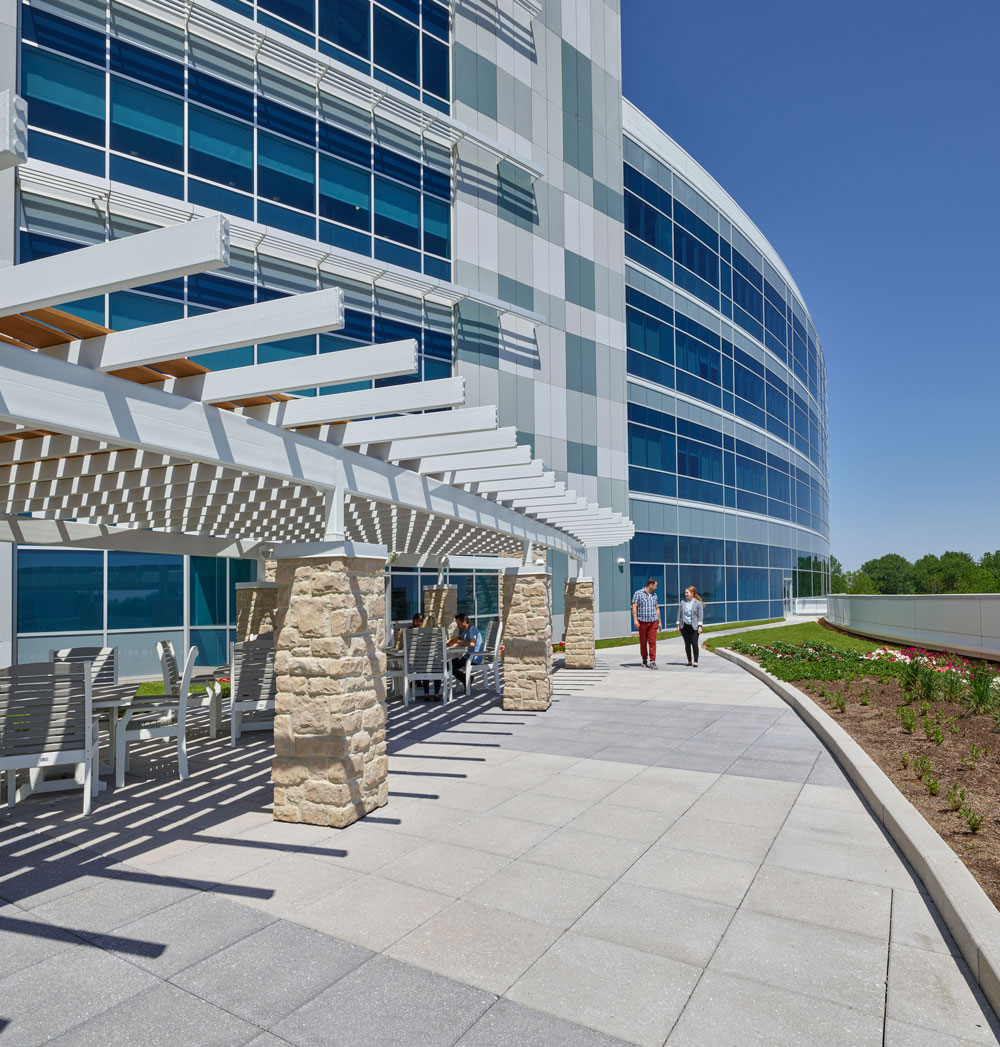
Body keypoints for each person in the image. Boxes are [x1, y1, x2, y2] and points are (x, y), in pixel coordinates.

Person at [448, 612, 483, 693]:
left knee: (450, 666)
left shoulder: (472, 630)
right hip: (467, 657)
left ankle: (467, 679)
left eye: (459, 623)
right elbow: (460, 637)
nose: (457, 625)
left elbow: (472, 643)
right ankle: (467, 678)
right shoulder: (466, 631)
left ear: (464, 622)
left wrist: (457, 643)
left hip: (473, 658)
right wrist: (450, 640)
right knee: (449, 664)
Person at [631, 578, 661, 669]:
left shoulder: (654, 595)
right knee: (643, 642)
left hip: (653, 621)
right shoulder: (638, 594)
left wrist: (659, 622)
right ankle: (644, 659)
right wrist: (635, 620)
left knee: (652, 642)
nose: (656, 587)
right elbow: (634, 607)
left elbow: (657, 608)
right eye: (655, 586)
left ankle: (652, 661)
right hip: (642, 622)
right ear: (650, 585)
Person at [677, 586, 704, 667]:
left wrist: (700, 626)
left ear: (692, 593)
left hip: (694, 627)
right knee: (687, 644)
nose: (685, 594)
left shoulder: (698, 603)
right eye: (685, 592)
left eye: (687, 592)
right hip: (684, 626)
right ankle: (689, 660)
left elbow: (700, 616)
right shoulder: (683, 602)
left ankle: (696, 661)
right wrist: (678, 625)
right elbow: (679, 614)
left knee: (694, 643)